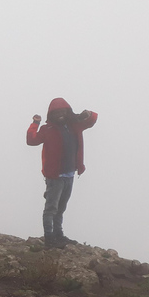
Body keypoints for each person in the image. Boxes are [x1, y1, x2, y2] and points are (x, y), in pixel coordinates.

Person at [27, 97, 98, 248]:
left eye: (62, 111)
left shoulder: (74, 125)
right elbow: (31, 140)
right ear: (51, 114)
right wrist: (35, 123)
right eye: (56, 112)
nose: (60, 114)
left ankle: (58, 235)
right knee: (51, 208)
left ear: (67, 112)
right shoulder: (47, 129)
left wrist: (85, 114)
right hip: (55, 176)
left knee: (61, 208)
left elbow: (93, 119)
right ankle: (49, 238)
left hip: (69, 174)